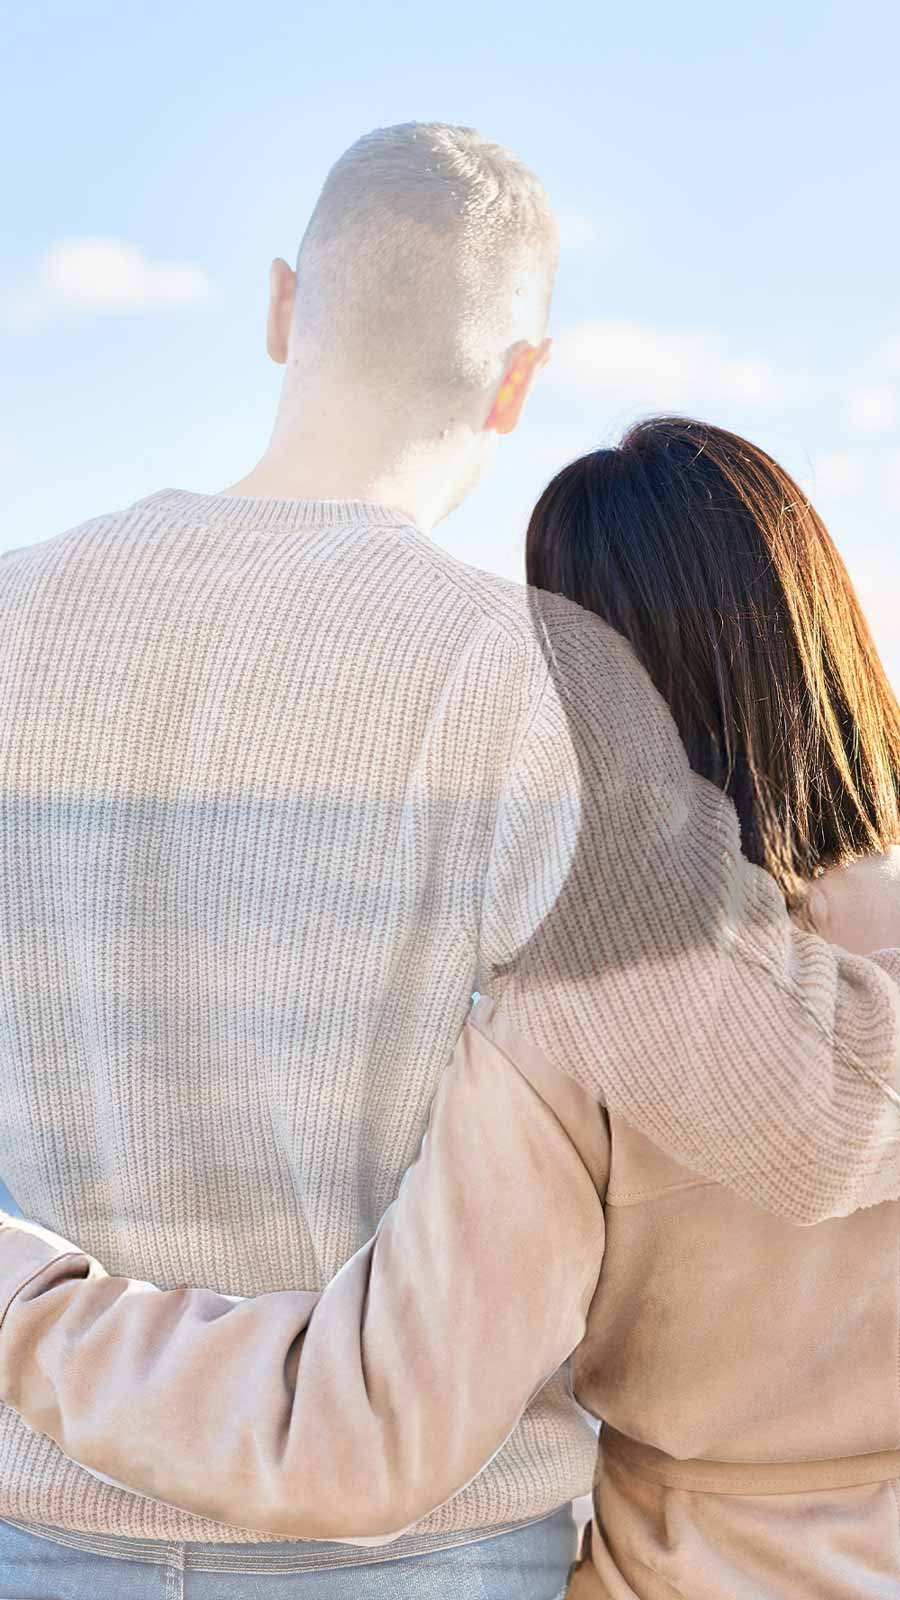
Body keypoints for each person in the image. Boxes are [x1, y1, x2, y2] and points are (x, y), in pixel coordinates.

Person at [1, 114, 900, 1595]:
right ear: (519, 377)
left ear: (284, 304)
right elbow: (806, 1114)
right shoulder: (540, 688)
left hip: (40, 1501)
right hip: (428, 1541)